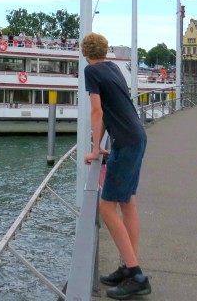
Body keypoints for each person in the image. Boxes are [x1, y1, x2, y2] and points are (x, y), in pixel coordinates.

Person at [82, 32, 151, 299]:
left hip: (124, 142)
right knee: (128, 203)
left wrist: (95, 149)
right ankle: (127, 266)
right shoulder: (113, 67)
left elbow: (97, 111)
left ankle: (136, 275)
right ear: (105, 49)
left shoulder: (92, 71)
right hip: (137, 136)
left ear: (84, 52)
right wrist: (99, 147)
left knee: (106, 207)